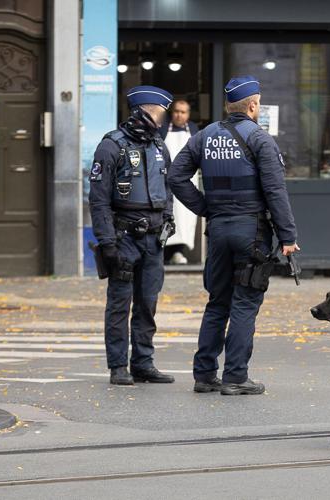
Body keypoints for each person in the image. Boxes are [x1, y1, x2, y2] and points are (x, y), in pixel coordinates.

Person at [169, 76, 299, 396]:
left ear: (229, 105)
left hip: (217, 230)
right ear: (253, 105)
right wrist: (287, 236)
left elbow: (176, 176)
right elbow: (274, 191)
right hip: (251, 232)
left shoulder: (205, 136)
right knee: (244, 303)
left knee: (218, 301)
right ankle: (236, 376)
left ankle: (204, 374)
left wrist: (204, 208)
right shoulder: (259, 139)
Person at [88, 85, 176, 386]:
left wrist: (168, 220)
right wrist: (107, 242)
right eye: (161, 113)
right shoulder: (111, 145)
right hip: (124, 237)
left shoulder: (158, 146)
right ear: (147, 111)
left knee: (147, 303)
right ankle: (117, 366)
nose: (163, 119)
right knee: (119, 304)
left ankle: (143, 363)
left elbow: (167, 189)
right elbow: (98, 199)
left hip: (153, 238)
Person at [159, 99, 200, 265]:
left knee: (185, 217)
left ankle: (178, 251)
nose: (179, 115)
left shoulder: (194, 130)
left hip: (188, 181)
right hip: (165, 181)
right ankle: (163, 252)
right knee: (166, 215)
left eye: (183, 112)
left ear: (188, 114)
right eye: (176, 111)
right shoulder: (162, 129)